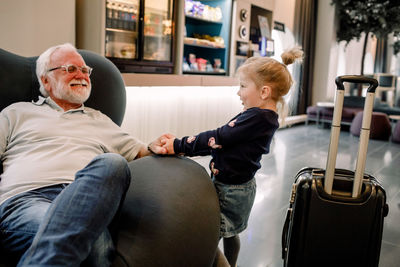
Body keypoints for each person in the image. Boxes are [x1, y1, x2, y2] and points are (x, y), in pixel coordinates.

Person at [0, 43, 166, 266]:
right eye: (70, 69)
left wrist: (158, 144)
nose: (82, 75)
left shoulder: (100, 120)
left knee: (112, 164)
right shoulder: (16, 113)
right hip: (26, 200)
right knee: (94, 247)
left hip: (87, 200)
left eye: (85, 70)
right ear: (45, 80)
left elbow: (141, 152)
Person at [158, 48, 304, 266]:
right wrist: (180, 147)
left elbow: (218, 137)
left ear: (264, 92)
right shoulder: (263, 116)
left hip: (230, 190)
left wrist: (179, 144)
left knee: (209, 234)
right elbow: (222, 143)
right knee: (230, 232)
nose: (239, 92)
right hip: (238, 186)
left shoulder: (257, 117)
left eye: (243, 86)